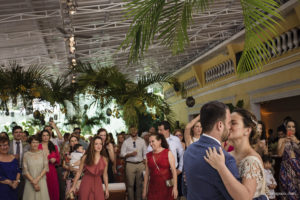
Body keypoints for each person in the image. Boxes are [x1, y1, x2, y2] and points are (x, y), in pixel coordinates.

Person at [204, 108, 268, 199]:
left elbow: (245, 198)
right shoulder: (227, 154)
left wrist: (221, 167)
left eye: (233, 123)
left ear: (247, 130)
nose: (228, 126)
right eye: (228, 123)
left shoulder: (251, 160)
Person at [184, 101, 238, 200]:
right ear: (220, 125)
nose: (230, 127)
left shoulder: (189, 150)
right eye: (229, 123)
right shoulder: (225, 158)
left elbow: (185, 189)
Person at [142, 133, 178, 200]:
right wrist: (144, 190)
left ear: (160, 141)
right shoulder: (148, 156)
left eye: (153, 141)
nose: (151, 144)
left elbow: (174, 171)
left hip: (167, 188)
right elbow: (147, 174)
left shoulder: (168, 153)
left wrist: (175, 188)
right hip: (153, 188)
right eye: (149, 142)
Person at [120, 126, 147, 200]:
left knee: (139, 185)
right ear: (129, 131)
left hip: (140, 164)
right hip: (130, 164)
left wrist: (145, 161)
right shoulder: (126, 142)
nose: (134, 131)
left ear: (137, 131)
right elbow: (122, 154)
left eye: (135, 130)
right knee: (130, 185)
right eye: (132, 130)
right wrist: (130, 154)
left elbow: (145, 153)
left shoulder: (142, 141)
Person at [278, 119, 300, 200]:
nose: (291, 128)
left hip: (297, 170)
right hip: (286, 170)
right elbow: (280, 154)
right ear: (286, 128)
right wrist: (284, 142)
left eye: (293, 127)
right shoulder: (281, 140)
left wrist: (297, 141)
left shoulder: (298, 141)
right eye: (289, 127)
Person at [23, 135, 49, 200]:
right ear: (29, 143)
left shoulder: (43, 153)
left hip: (41, 181)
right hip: (30, 182)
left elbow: (45, 168)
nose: (35, 144)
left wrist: (37, 180)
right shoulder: (26, 155)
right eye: (33, 142)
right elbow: (25, 171)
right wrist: (33, 182)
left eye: (37, 142)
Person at [38, 130, 60, 200]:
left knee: (53, 190)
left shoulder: (54, 146)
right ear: (41, 137)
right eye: (43, 135)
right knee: (42, 190)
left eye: (47, 135)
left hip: (52, 171)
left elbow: (58, 160)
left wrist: (55, 160)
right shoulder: (37, 146)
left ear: (49, 136)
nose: (45, 137)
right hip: (40, 171)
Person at [9, 125, 28, 200]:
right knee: (11, 192)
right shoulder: (8, 144)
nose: (18, 134)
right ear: (13, 134)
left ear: (22, 133)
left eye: (20, 132)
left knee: (21, 193)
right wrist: (12, 157)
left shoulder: (27, 145)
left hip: (23, 171)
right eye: (16, 132)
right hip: (11, 171)